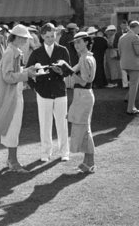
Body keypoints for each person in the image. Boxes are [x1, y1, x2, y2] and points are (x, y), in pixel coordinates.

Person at [0, 24, 37, 173]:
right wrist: (26, 74)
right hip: (12, 94)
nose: (25, 41)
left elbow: (12, 73)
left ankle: (12, 160)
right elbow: (7, 76)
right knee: (13, 126)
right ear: (16, 37)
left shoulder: (13, 51)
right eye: (23, 38)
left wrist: (27, 71)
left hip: (15, 92)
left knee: (13, 126)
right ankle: (13, 161)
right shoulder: (11, 52)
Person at [26, 23, 72, 162]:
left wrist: (62, 71)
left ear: (56, 35)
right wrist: (34, 87)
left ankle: (64, 152)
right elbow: (28, 72)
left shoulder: (63, 50)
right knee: (45, 124)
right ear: (42, 37)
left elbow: (69, 71)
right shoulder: (36, 53)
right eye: (47, 37)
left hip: (59, 91)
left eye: (53, 36)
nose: (51, 39)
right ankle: (45, 152)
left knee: (62, 124)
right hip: (43, 92)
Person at [67, 31, 97, 173]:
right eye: (75, 42)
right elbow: (72, 71)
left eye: (79, 42)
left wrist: (69, 72)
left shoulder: (86, 59)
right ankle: (87, 161)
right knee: (84, 128)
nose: (76, 45)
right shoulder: (84, 58)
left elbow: (85, 82)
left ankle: (90, 162)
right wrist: (63, 69)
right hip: (81, 95)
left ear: (86, 42)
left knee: (85, 129)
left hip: (84, 95)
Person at [118, 20, 139, 114]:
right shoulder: (135, 36)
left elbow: (119, 51)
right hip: (134, 65)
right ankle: (130, 109)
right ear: (136, 27)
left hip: (124, 63)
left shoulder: (122, 36)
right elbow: (138, 52)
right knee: (133, 85)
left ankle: (127, 98)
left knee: (138, 80)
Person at [114, 20, 130, 88]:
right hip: (121, 54)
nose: (124, 26)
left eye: (125, 25)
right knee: (123, 70)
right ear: (120, 26)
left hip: (130, 54)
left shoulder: (130, 33)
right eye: (123, 25)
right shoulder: (117, 34)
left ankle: (131, 83)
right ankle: (125, 84)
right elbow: (114, 44)